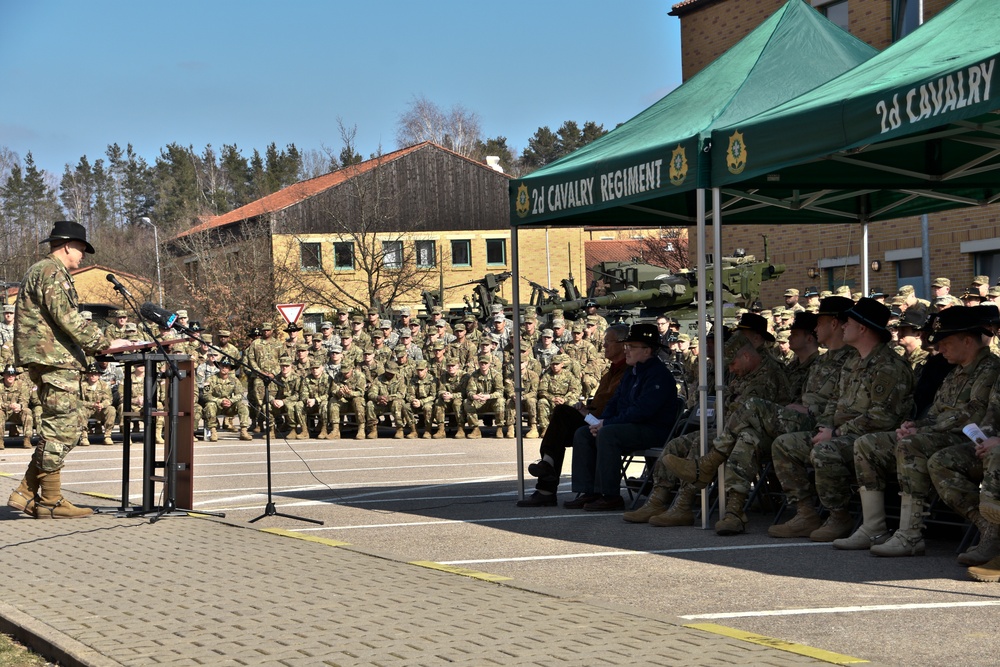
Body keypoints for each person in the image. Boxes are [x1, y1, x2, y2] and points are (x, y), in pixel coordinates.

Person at [847, 306, 999, 557]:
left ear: (967, 340)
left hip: (966, 440)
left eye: (946, 342)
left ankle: (910, 533)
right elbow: (936, 410)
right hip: (941, 435)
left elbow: (972, 414)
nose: (940, 348)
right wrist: (915, 425)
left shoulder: (989, 369)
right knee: (867, 444)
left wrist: (923, 428)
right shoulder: (956, 371)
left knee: (912, 445)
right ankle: (873, 527)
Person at [6, 221, 128, 519]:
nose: (83, 256)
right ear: (68, 246)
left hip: (54, 359)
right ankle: (49, 500)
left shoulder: (46, 272)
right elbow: (68, 319)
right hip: (54, 361)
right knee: (62, 430)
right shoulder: (50, 272)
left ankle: (26, 492)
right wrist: (103, 343)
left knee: (67, 429)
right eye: (82, 250)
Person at [566, 323, 678, 511]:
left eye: (631, 347)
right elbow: (615, 402)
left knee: (608, 434)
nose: (626, 351)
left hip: (654, 430)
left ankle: (609, 495)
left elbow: (642, 411)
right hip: (631, 426)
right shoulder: (633, 372)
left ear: (647, 350)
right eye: (626, 346)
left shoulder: (658, 375)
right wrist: (599, 422)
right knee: (583, 433)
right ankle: (588, 491)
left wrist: (606, 423)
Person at [518, 324, 629, 507]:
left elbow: (616, 404)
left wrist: (590, 413)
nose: (604, 347)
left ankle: (547, 484)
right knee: (561, 418)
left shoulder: (628, 372)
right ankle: (548, 472)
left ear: (623, 345)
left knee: (562, 416)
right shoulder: (611, 371)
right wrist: (586, 409)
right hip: (594, 418)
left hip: (608, 422)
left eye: (608, 342)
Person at [79, 362, 116, 446]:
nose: (93, 376)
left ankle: (107, 436)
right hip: (88, 409)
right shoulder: (82, 385)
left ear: (99, 375)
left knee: (111, 409)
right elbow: (78, 401)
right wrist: (92, 405)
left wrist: (101, 405)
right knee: (80, 410)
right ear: (87, 375)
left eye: (95, 374)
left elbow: (109, 399)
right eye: (91, 374)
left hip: (100, 409)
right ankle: (84, 437)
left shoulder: (104, 385)